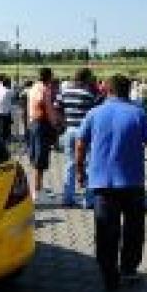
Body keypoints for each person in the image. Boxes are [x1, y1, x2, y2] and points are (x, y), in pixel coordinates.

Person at [75, 75, 147, 292]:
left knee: (106, 230)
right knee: (134, 230)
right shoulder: (139, 114)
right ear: (129, 91)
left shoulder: (94, 113)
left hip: (102, 183)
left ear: (108, 90)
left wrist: (80, 171)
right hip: (132, 182)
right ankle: (128, 269)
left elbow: (80, 145)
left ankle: (108, 273)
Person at [57, 69, 102, 207]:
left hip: (69, 130)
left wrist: (64, 123)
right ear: (86, 79)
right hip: (85, 132)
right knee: (89, 164)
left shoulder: (64, 93)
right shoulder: (88, 95)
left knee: (70, 163)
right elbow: (94, 114)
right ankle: (89, 200)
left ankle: (67, 197)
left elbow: (57, 109)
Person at [26, 68, 62, 200]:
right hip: (42, 124)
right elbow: (48, 108)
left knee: (36, 157)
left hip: (33, 123)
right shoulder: (45, 90)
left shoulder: (34, 87)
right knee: (40, 160)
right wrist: (55, 124)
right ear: (49, 77)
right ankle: (37, 191)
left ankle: (38, 187)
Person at [0, 75, 14, 143]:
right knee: (5, 127)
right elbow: (14, 97)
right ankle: (4, 140)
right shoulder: (9, 91)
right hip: (5, 112)